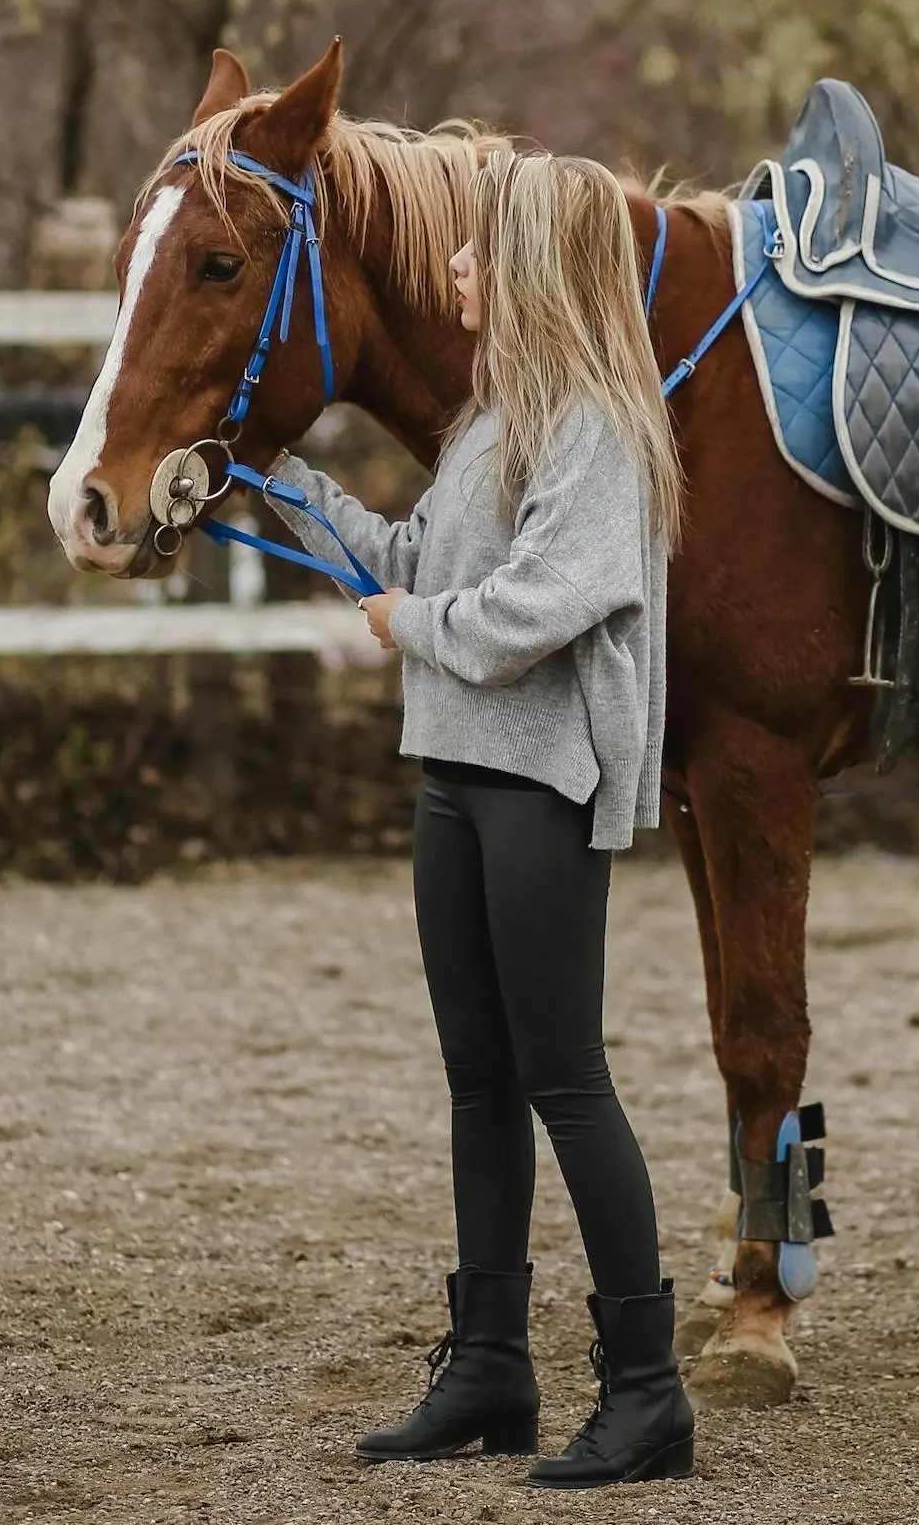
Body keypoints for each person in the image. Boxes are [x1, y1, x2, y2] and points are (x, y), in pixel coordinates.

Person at [263, 150, 692, 1490]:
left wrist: (412, 628)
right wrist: (267, 483)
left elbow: (529, 614)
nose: (455, 266)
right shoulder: (489, 425)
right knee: (478, 1081)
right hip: (455, 770)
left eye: (477, 249)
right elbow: (410, 563)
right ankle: (491, 1364)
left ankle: (648, 1390)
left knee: (566, 1078)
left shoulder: (598, 435)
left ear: (537, 272)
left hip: (537, 780)